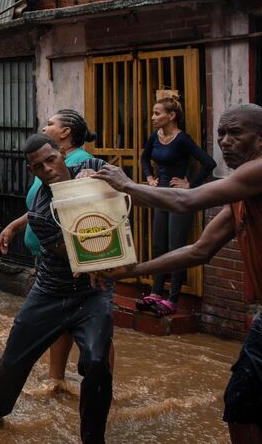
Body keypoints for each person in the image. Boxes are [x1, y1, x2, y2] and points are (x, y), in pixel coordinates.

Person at [93, 103, 262, 444]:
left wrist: (125, 185)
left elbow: (187, 200)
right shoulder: (242, 194)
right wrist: (131, 270)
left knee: (241, 406)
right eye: (221, 135)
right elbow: (199, 250)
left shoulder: (257, 171)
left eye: (236, 133)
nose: (225, 142)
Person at [0, 134, 113, 444]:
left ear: (62, 154)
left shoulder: (91, 164)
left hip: (92, 293)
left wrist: (96, 180)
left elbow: (124, 188)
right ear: (33, 171)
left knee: (97, 361)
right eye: (39, 167)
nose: (48, 169)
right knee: (14, 358)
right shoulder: (41, 210)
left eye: (52, 159)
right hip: (51, 293)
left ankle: (93, 439)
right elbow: (81, 255)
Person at [0, 109, 110, 386]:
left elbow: (112, 203)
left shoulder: (87, 164)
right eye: (38, 166)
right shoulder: (45, 166)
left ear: (63, 139)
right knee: (56, 326)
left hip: (90, 266)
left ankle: (100, 384)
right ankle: (55, 379)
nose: (45, 127)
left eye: (50, 123)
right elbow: (40, 206)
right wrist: (15, 225)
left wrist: (93, 262)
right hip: (52, 264)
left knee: (98, 340)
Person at [138, 96, 217, 315]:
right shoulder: (155, 137)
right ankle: (154, 293)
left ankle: (172, 299)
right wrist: (149, 178)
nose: (153, 118)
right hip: (160, 195)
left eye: (157, 113)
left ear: (171, 116)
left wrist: (190, 185)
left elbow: (209, 163)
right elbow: (144, 159)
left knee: (176, 248)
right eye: (153, 113)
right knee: (158, 245)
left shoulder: (182, 139)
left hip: (178, 198)